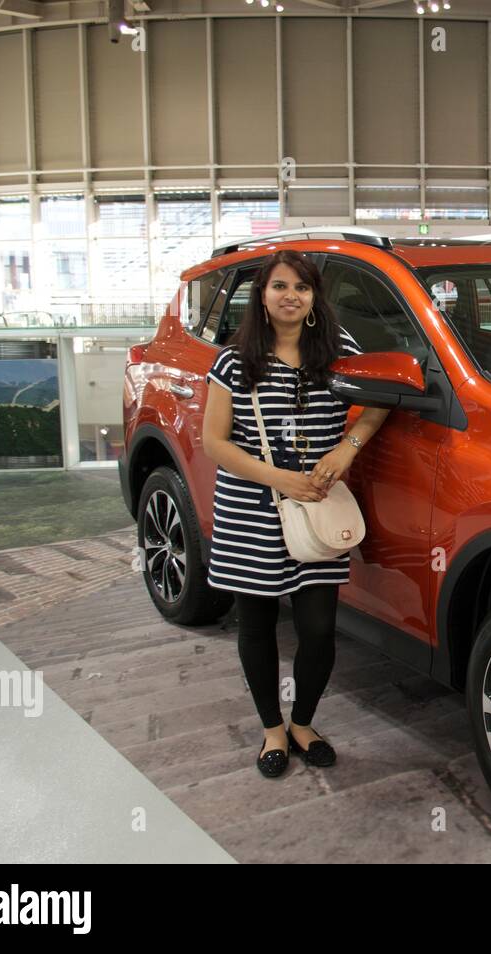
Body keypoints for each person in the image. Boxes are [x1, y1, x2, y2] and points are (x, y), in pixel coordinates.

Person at [201, 249, 389, 778]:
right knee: (256, 624)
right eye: (279, 286)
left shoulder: (340, 349)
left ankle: (304, 722)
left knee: (319, 629)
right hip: (249, 509)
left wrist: (346, 448)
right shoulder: (235, 360)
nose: (290, 296)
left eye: (301, 288)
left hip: (316, 509)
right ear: (262, 296)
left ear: (313, 298)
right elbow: (214, 442)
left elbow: (379, 403)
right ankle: (271, 730)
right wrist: (279, 478)